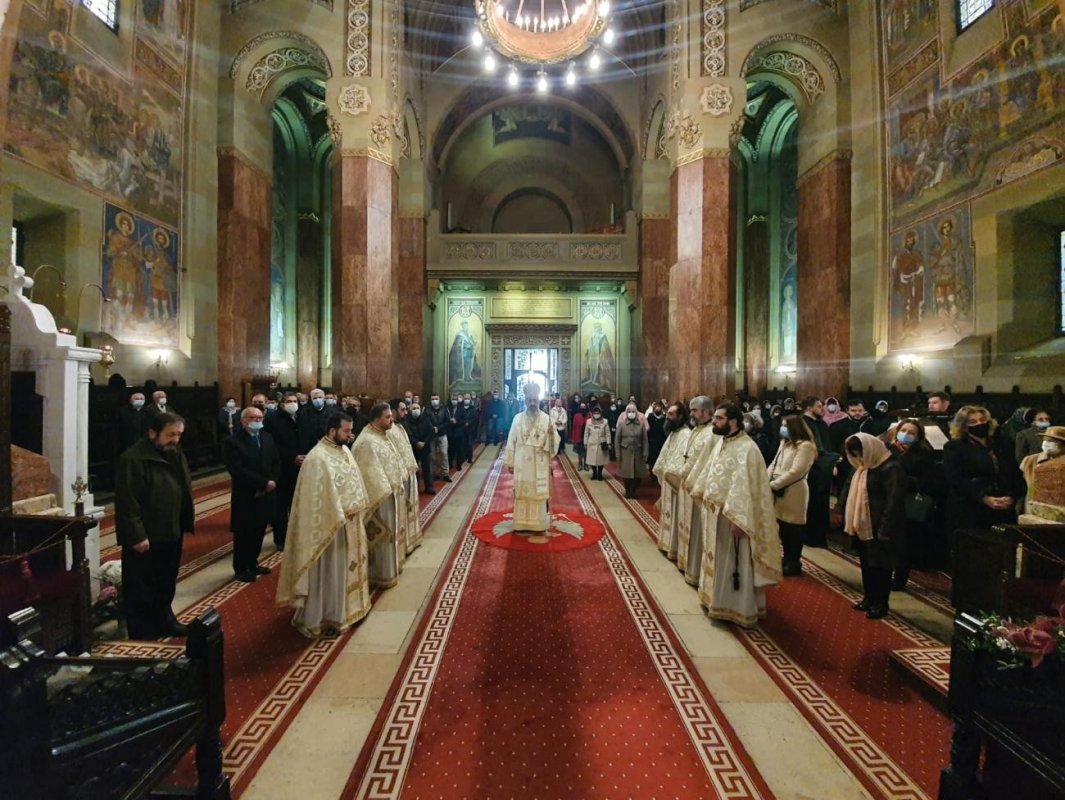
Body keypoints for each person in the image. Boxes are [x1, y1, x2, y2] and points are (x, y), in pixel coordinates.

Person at [276, 412, 372, 637]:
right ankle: (326, 615)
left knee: (345, 570)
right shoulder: (317, 458)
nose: (350, 435)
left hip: (349, 525)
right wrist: (337, 516)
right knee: (330, 572)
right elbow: (315, 501)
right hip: (329, 529)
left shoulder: (345, 450)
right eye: (346, 431)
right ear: (332, 431)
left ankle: (348, 609)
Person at [688, 403, 780, 627]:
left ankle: (736, 607)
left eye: (718, 418)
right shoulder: (723, 442)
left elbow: (748, 490)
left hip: (735, 519)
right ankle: (715, 600)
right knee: (718, 560)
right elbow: (710, 473)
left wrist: (740, 520)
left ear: (733, 422)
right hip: (715, 515)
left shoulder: (748, 449)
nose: (713, 421)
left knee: (734, 563)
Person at [115, 412, 194, 639]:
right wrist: (136, 535)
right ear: (152, 433)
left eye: (179, 435)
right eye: (170, 435)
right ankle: (143, 633)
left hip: (171, 529)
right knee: (142, 588)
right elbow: (127, 501)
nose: (176, 440)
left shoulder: (174, 454)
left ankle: (165, 621)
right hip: (146, 536)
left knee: (165, 582)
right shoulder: (133, 459)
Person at [840, 433, 907, 620]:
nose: (858, 458)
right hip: (863, 524)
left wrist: (885, 528)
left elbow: (894, 500)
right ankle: (869, 597)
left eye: (860, 453)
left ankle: (881, 603)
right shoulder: (861, 467)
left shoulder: (890, 467)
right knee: (867, 564)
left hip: (880, 525)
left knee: (881, 566)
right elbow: (848, 488)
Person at [942, 405, 1024, 541]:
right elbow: (954, 479)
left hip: (1003, 509)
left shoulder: (1001, 444)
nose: (979, 424)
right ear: (964, 426)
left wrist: (1011, 496)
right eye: (973, 422)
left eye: (982, 420)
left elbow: (1015, 475)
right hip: (971, 508)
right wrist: (984, 498)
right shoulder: (955, 447)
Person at [353, 403, 411, 588]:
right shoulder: (366, 441)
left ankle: (389, 569)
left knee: (390, 536)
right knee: (382, 536)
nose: (391, 419)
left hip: (390, 494)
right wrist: (386, 489)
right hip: (379, 498)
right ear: (377, 419)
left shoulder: (381, 435)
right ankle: (380, 574)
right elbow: (369, 473)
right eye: (388, 417)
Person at [223, 406, 281, 582]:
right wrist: (263, 483)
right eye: (253, 417)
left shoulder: (267, 437)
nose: (258, 420)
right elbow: (237, 469)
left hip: (266, 493)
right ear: (244, 421)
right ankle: (241, 568)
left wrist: (272, 481)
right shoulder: (233, 441)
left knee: (259, 530)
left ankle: (253, 563)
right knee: (244, 533)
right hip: (247, 494)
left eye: (259, 417)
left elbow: (276, 461)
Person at [885, 419, 942, 589]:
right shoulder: (887, 449)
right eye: (904, 430)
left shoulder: (924, 454)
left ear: (918, 437)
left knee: (904, 544)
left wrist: (900, 471)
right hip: (887, 500)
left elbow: (925, 481)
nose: (906, 435)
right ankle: (884, 575)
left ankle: (900, 579)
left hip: (908, 502)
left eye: (911, 433)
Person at [673, 396, 718, 586]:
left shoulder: (712, 434)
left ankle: (696, 570)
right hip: (688, 483)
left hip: (699, 486)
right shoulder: (697, 430)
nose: (690, 414)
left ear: (706, 411)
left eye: (694, 410)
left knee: (698, 531)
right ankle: (686, 563)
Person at [504, 383, 560, 531]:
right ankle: (521, 523)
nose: (532, 402)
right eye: (529, 400)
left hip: (539, 464)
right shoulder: (517, 418)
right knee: (522, 491)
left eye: (535, 399)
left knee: (537, 493)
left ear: (539, 400)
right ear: (525, 401)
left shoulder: (547, 419)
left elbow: (555, 443)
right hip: (521, 461)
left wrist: (551, 435)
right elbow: (511, 440)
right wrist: (509, 461)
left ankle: (539, 524)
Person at [766, 414, 817, 577]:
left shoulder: (806, 446)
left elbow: (796, 472)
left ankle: (794, 561)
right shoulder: (785, 443)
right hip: (778, 489)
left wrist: (774, 485)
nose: (782, 429)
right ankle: (786, 558)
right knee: (783, 527)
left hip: (794, 491)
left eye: (785, 426)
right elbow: (774, 463)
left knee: (793, 528)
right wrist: (766, 480)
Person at [265, 392, 301, 551]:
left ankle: (297, 537)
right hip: (283, 469)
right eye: (289, 401)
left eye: (295, 401)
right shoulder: (273, 420)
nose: (292, 404)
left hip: (301, 469)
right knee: (281, 508)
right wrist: (292, 457)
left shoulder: (302, 417)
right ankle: (280, 539)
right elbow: (272, 445)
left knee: (298, 506)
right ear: (282, 404)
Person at [389, 401, 424, 555]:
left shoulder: (400, 426)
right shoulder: (389, 430)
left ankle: (410, 538)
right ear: (393, 411)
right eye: (402, 410)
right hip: (400, 475)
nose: (406, 412)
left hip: (409, 471)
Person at [652, 403, 687, 557]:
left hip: (675, 483)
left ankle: (674, 547)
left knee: (675, 516)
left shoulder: (686, 435)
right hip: (667, 481)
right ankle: (667, 543)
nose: (667, 416)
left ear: (680, 417)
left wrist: (671, 475)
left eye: (672, 414)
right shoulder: (674, 433)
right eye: (668, 413)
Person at [801, 396, 835, 547]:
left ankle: (820, 536)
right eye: (819, 406)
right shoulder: (802, 423)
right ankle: (809, 536)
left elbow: (826, 446)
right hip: (810, 469)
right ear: (809, 408)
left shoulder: (822, 424)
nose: (823, 409)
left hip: (824, 468)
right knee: (811, 503)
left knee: (822, 503)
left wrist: (832, 462)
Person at [615, 402, 648, 498]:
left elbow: (645, 440)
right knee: (626, 473)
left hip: (638, 452)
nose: (631, 413)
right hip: (625, 452)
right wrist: (617, 453)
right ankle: (627, 490)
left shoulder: (641, 425)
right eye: (629, 411)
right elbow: (617, 440)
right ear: (626, 412)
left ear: (636, 413)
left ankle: (633, 491)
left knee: (636, 474)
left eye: (633, 411)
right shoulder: (621, 424)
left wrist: (645, 452)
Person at [403, 401, 436, 495]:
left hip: (425, 447)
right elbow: (408, 435)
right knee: (414, 469)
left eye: (417, 408)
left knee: (427, 468)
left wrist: (424, 442)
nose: (416, 410)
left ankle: (429, 486)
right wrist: (416, 442)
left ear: (421, 410)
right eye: (413, 408)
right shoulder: (407, 421)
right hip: (413, 448)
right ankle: (415, 487)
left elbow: (431, 432)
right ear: (410, 410)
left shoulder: (426, 419)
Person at [425, 393, 453, 484]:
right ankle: (434, 473)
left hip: (442, 434)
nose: (434, 400)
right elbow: (426, 421)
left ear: (439, 400)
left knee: (444, 453)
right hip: (431, 435)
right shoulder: (427, 410)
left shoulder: (445, 409)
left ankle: (445, 474)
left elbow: (448, 422)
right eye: (432, 399)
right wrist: (432, 428)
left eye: (436, 398)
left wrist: (439, 428)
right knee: (432, 455)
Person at [297, 388, 329, 455]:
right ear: (311, 399)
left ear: (324, 398)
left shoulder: (332, 412)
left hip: (328, 447)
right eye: (315, 398)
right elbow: (303, 432)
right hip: (310, 447)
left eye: (320, 397)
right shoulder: (305, 412)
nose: (317, 400)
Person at [583, 405, 611, 481]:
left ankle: (600, 474)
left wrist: (609, 443)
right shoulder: (588, 421)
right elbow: (586, 433)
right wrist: (585, 443)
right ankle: (594, 473)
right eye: (595, 413)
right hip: (591, 443)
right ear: (592, 413)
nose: (596, 414)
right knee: (592, 460)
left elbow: (608, 433)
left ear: (600, 413)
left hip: (601, 444)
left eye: (598, 412)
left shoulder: (605, 421)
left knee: (601, 460)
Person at [646, 401, 668, 474]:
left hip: (662, 440)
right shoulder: (650, 416)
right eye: (656, 407)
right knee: (652, 457)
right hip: (652, 440)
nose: (658, 408)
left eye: (659, 407)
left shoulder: (664, 417)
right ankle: (652, 472)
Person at [571, 402, 589, 471]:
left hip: (587, 436)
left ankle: (586, 464)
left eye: (584, 406)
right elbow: (574, 427)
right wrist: (573, 438)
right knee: (580, 451)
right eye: (581, 407)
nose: (583, 408)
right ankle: (580, 463)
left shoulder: (589, 415)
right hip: (579, 436)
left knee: (586, 451)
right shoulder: (576, 415)